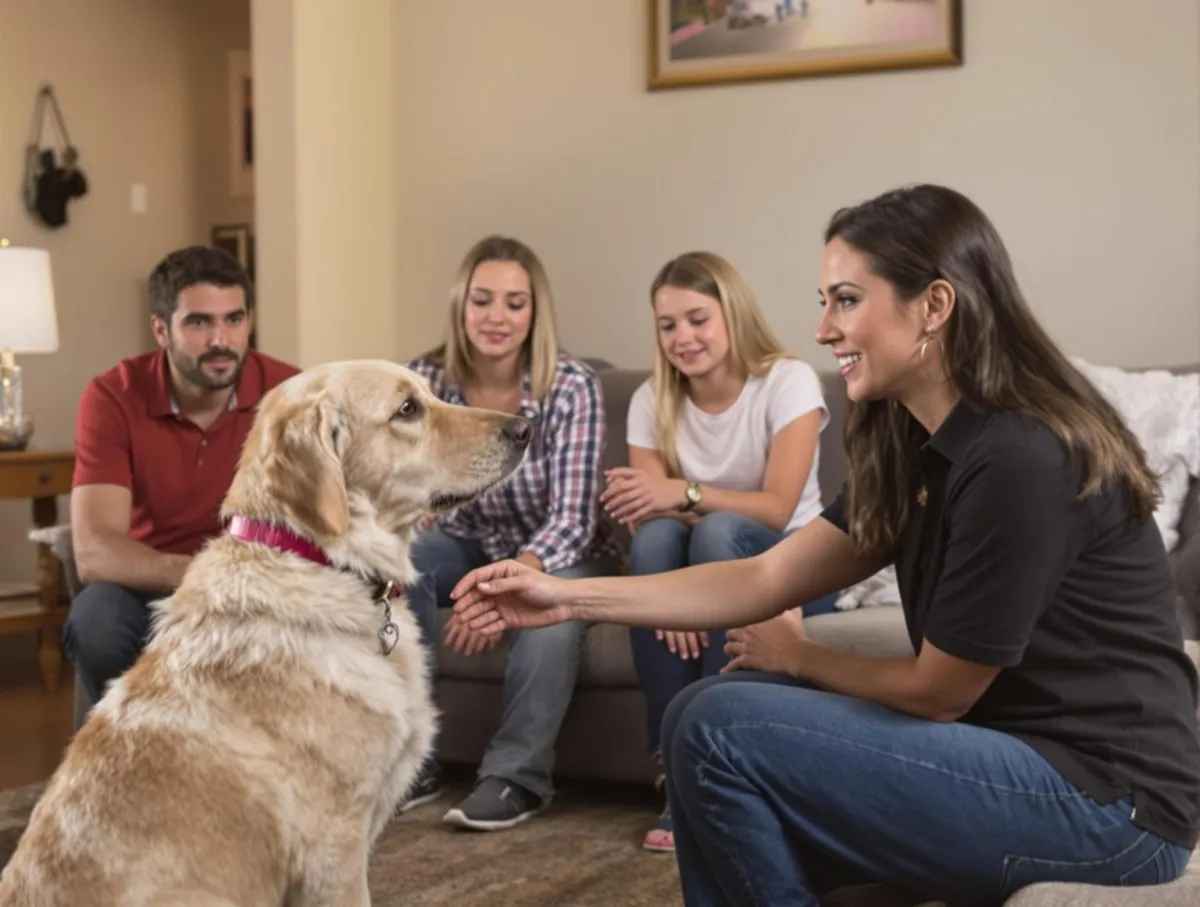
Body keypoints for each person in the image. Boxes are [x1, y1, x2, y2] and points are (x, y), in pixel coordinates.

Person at [443, 185, 1200, 905]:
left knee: (717, 725)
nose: (823, 328)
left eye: (846, 300)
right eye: (823, 302)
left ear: (934, 304)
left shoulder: (1019, 455)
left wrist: (800, 656)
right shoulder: (917, 440)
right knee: (708, 714)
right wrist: (561, 596)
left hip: (1111, 806)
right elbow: (767, 574)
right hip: (1012, 757)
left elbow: (942, 691)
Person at [600, 250, 836, 853]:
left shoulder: (788, 381)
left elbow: (778, 508)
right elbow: (644, 515)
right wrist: (680, 594)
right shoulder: (654, 398)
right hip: (701, 558)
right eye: (668, 324)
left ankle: (711, 770)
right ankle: (674, 775)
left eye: (697, 319)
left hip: (800, 568)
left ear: (732, 314)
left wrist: (685, 491)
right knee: (657, 540)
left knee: (716, 533)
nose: (683, 337)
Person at [397, 235, 623, 831]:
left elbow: (573, 519)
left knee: (548, 614)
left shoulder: (572, 385)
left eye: (515, 303)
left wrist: (509, 579)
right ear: (460, 305)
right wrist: (414, 509)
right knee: (398, 559)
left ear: (535, 313)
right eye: (483, 300)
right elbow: (405, 485)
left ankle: (516, 778)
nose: (497, 317)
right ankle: (408, 760)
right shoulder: (421, 381)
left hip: (567, 551)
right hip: (469, 539)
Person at [64, 245, 300, 706]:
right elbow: (94, 551)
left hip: (259, 591)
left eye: (234, 319)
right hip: (152, 588)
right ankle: (136, 757)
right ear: (160, 329)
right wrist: (208, 574)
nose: (221, 339)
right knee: (97, 619)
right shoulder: (113, 397)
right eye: (198, 322)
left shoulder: (290, 393)